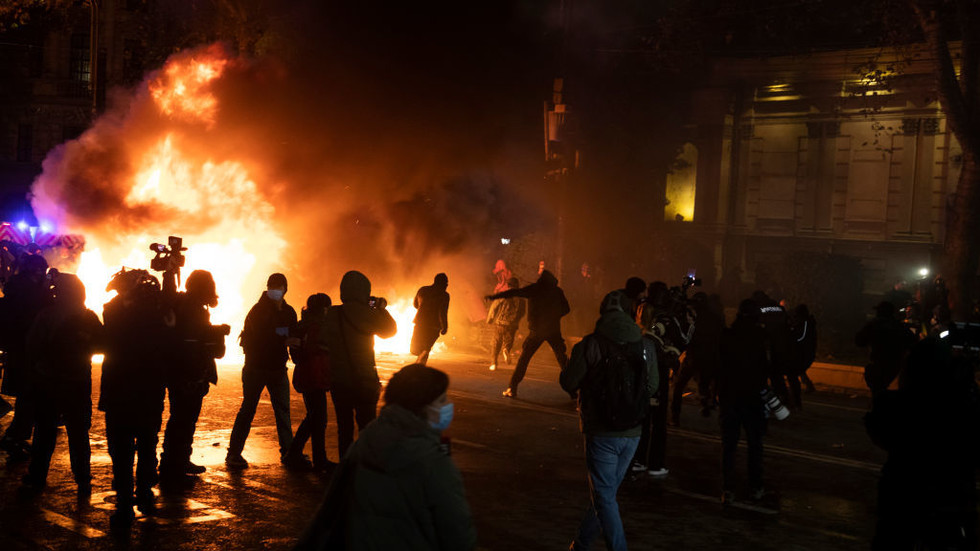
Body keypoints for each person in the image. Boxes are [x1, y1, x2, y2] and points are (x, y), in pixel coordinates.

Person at [294, 364, 476, 551]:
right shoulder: (433, 459)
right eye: (441, 400)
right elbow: (456, 530)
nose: (447, 406)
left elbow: (330, 509)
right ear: (422, 406)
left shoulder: (366, 440)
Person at [560, 290, 659, 551]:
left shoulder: (590, 344)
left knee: (603, 497)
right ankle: (580, 545)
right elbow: (652, 386)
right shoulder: (645, 345)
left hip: (601, 431)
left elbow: (568, 382)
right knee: (606, 496)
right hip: (634, 431)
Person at [865, 338, 980, 550]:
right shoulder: (959, 407)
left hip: (903, 495)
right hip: (951, 500)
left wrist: (902, 376)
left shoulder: (901, 405)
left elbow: (877, 422)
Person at [99, 269, 173, 526]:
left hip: (121, 389)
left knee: (121, 448)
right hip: (148, 389)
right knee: (147, 441)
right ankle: (143, 491)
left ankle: (125, 500)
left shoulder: (115, 311)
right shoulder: (157, 312)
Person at [21, 273, 102, 497]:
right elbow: (101, 345)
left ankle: (37, 477)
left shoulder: (47, 315)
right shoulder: (88, 316)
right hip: (78, 381)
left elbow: (32, 345)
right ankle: (83, 479)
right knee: (78, 433)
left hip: (49, 381)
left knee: (45, 432)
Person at [159, 270, 230, 483]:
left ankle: (177, 461)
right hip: (189, 375)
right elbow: (193, 338)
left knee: (181, 420)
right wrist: (217, 332)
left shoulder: (184, 304)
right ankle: (174, 465)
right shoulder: (193, 309)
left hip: (181, 373)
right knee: (184, 420)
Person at [227, 273, 299, 469]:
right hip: (256, 368)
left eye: (279, 286)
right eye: (272, 286)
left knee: (283, 413)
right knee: (248, 410)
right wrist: (283, 339)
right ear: (268, 287)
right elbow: (261, 336)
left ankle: (288, 452)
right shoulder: (258, 311)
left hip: (277, 368)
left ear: (285, 288)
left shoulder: (289, 312)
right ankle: (234, 453)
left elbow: (293, 335)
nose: (276, 289)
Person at [323, 270, 397, 458]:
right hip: (363, 381)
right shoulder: (367, 313)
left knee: (344, 430)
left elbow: (323, 339)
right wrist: (379, 307)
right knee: (367, 429)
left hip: (339, 381)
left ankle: (345, 473)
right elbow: (390, 330)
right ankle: (366, 473)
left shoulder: (332, 314)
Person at [486, 269, 570, 398]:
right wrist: (554, 317)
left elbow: (514, 292)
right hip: (553, 330)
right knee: (562, 360)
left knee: (524, 359)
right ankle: (574, 392)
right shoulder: (557, 291)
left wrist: (494, 297)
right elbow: (566, 309)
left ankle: (512, 388)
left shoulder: (535, 289)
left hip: (536, 331)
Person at [0, 253, 51, 461]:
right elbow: (39, 314)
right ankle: (15, 437)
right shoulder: (31, 293)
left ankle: (17, 437)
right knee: (29, 396)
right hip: (28, 350)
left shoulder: (15, 289)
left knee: (26, 396)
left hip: (17, 350)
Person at [718, 299, 769, 505]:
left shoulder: (727, 335)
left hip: (730, 398)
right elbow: (766, 367)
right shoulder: (760, 337)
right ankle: (755, 486)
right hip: (753, 398)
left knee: (729, 446)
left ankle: (728, 488)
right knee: (755, 445)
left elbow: (719, 367)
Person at [283, 293, 334, 471]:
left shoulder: (301, 326)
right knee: (318, 419)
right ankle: (317, 460)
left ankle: (295, 453)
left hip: (308, 376)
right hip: (314, 376)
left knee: (314, 417)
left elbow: (295, 354)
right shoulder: (317, 327)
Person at [671, 293, 724, 424]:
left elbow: (686, 337)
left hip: (693, 357)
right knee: (704, 384)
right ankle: (706, 402)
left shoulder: (693, 317)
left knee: (678, 386)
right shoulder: (715, 318)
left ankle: (675, 416)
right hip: (709, 358)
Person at [855, 301, 916, 398]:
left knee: (878, 391)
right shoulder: (899, 326)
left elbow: (859, 341)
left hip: (879, 363)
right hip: (895, 366)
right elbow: (913, 343)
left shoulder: (875, 325)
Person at [486, 276, 525, 371]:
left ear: (508, 285)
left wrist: (490, 319)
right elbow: (522, 312)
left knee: (496, 342)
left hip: (500, 323)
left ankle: (494, 363)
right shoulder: (521, 299)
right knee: (508, 340)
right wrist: (516, 321)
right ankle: (506, 350)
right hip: (512, 324)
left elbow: (494, 307)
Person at [410, 273, 450, 366]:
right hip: (433, 326)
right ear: (441, 283)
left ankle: (418, 367)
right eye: (445, 283)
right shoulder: (444, 295)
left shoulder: (423, 290)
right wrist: (445, 327)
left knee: (419, 348)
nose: (447, 285)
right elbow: (443, 312)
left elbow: (416, 305)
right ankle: (419, 368)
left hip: (420, 323)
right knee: (425, 349)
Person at [789, 303, 817, 401]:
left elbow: (802, 337)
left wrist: (792, 339)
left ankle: (796, 396)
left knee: (795, 371)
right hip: (803, 351)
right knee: (798, 370)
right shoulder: (805, 322)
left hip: (805, 351)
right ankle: (809, 386)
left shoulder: (806, 323)